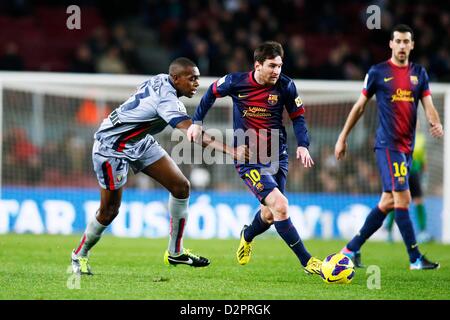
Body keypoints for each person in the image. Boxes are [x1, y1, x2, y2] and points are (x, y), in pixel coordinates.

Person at [71, 57, 249, 275]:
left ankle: (175, 253)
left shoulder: (161, 80)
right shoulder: (167, 101)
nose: (196, 84)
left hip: (139, 141)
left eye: (198, 79)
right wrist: (233, 152)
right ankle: (79, 254)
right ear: (175, 78)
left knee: (181, 187)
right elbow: (193, 133)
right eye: (191, 79)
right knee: (109, 211)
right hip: (112, 147)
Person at [187, 41, 322, 275]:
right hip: (248, 158)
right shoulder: (235, 82)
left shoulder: (286, 86)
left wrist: (303, 145)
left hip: (277, 156)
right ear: (257, 65)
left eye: (279, 66)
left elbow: (298, 117)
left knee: (270, 215)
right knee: (281, 206)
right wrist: (197, 121)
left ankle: (247, 234)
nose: (277, 71)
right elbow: (210, 92)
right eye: (271, 66)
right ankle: (308, 262)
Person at [334, 24, 443, 270]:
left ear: (412, 45)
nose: (402, 46)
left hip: (406, 149)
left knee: (387, 203)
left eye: (407, 41)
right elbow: (360, 106)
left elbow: (428, 105)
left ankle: (350, 249)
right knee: (403, 198)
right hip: (387, 146)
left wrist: (436, 124)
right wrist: (342, 137)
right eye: (398, 41)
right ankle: (415, 258)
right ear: (391, 44)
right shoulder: (378, 72)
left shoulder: (419, 73)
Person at [385, 130, 432, 243]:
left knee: (418, 201)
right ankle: (389, 231)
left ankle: (422, 231)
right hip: (401, 171)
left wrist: (425, 174)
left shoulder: (420, 138)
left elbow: (423, 159)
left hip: (414, 171)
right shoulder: (399, 134)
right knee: (396, 201)